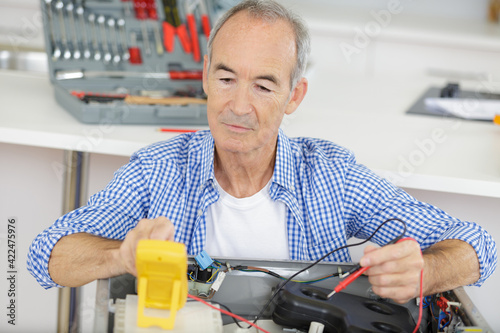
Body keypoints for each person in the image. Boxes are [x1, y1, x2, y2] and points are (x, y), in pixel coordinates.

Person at [28, 0, 496, 305]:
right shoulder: (157, 170)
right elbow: (45, 254)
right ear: (206, 75)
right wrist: (120, 257)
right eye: (227, 78)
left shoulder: (331, 176)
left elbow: (480, 245)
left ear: (295, 96)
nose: (238, 106)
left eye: (264, 85)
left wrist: (426, 271)